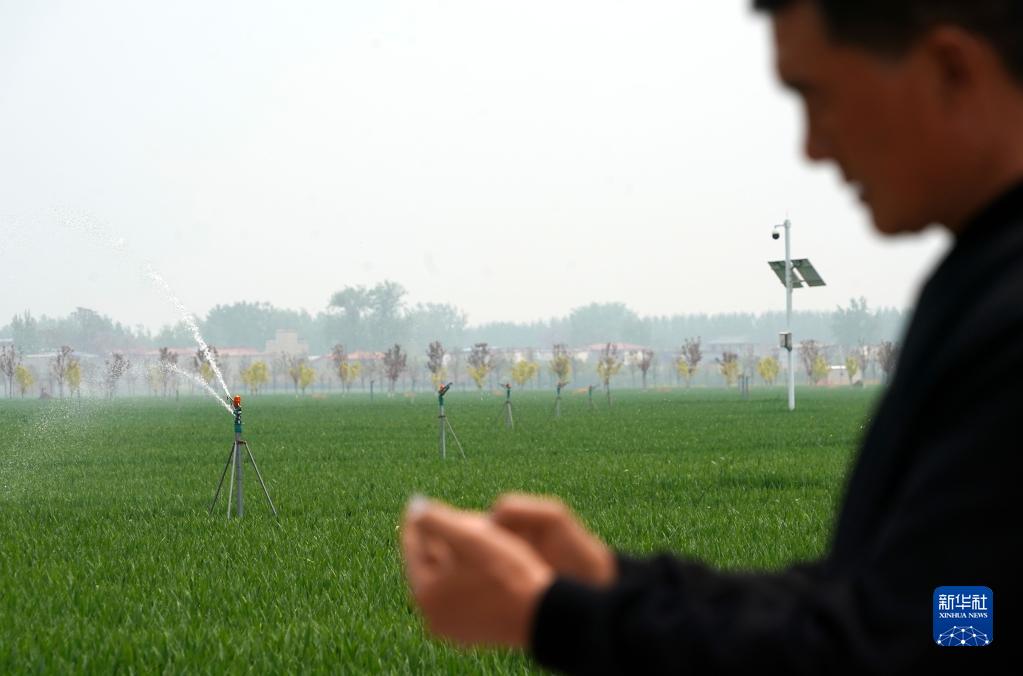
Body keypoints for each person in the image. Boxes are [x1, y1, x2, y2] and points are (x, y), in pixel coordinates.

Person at [400, 1, 1022, 672]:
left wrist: (554, 615)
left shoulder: (1006, 315)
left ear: (949, 69)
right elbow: (911, 605)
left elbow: (910, 644)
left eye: (818, 97)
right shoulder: (980, 278)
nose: (812, 147)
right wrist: (609, 582)